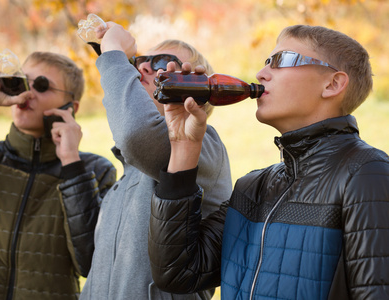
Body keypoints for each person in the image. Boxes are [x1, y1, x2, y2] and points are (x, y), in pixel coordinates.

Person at [148, 25, 389, 299]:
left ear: (332, 84)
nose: (261, 74)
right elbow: (177, 273)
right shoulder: (254, 187)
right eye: (265, 62)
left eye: (281, 60)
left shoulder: (367, 173)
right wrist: (183, 144)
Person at [0, 51, 116, 299]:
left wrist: (71, 165)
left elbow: (89, 262)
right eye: (22, 81)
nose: (28, 93)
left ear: (71, 107)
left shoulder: (94, 172)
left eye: (42, 85)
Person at [79, 23, 232, 299]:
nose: (144, 68)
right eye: (139, 62)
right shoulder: (121, 182)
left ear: (196, 84)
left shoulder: (205, 145)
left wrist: (113, 53)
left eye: (163, 63)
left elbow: (137, 134)